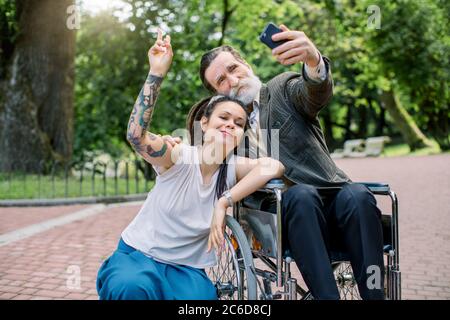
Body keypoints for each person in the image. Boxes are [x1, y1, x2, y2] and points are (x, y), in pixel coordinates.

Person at [194, 24, 385, 300]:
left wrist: (312, 59)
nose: (232, 81)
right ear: (217, 93)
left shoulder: (280, 88)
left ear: (245, 64)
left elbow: (313, 93)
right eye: (221, 80)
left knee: (358, 195)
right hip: (279, 215)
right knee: (301, 196)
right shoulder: (227, 132)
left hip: (331, 194)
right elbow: (207, 167)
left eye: (233, 69)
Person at [96, 29, 285, 300]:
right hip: (140, 256)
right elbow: (136, 136)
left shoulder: (231, 167)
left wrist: (224, 201)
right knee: (132, 288)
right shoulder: (178, 156)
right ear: (204, 124)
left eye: (239, 123)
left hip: (187, 269)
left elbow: (272, 165)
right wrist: (156, 73)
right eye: (224, 117)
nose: (231, 125)